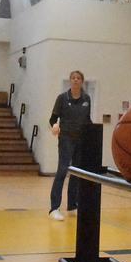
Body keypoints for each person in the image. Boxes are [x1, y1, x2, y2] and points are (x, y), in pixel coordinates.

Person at [47, 70, 92, 221]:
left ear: (82, 81)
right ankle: (54, 208)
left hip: (81, 140)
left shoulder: (87, 99)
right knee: (62, 171)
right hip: (66, 138)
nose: (75, 80)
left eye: (78, 78)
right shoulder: (62, 98)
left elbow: (87, 120)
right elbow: (52, 119)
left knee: (76, 173)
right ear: (70, 81)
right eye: (73, 78)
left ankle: (72, 205)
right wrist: (54, 126)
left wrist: (94, 133)